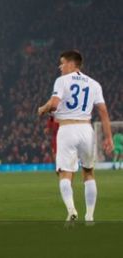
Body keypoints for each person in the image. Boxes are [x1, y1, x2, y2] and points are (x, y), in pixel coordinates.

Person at [37, 50, 113, 222]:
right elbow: (103, 112)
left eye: (62, 63)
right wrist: (108, 137)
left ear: (72, 64)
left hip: (67, 129)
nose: (60, 66)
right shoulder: (94, 84)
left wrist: (42, 108)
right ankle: (90, 216)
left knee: (65, 174)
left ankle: (71, 210)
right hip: (87, 130)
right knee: (88, 172)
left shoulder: (62, 81)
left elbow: (54, 105)